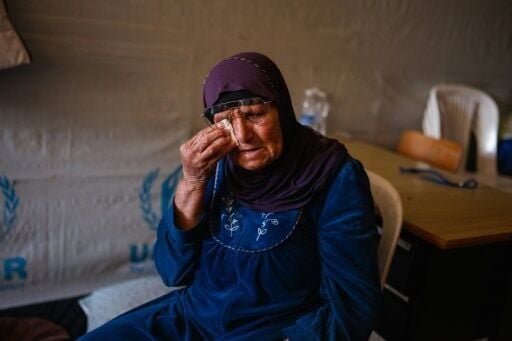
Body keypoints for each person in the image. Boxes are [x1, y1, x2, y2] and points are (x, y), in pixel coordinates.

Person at [81, 52, 382, 340]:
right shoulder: (216, 164)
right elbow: (172, 271)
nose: (242, 135)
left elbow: (352, 304)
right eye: (225, 120)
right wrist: (192, 180)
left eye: (254, 114)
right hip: (193, 318)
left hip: (270, 331)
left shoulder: (332, 175)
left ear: (282, 109)